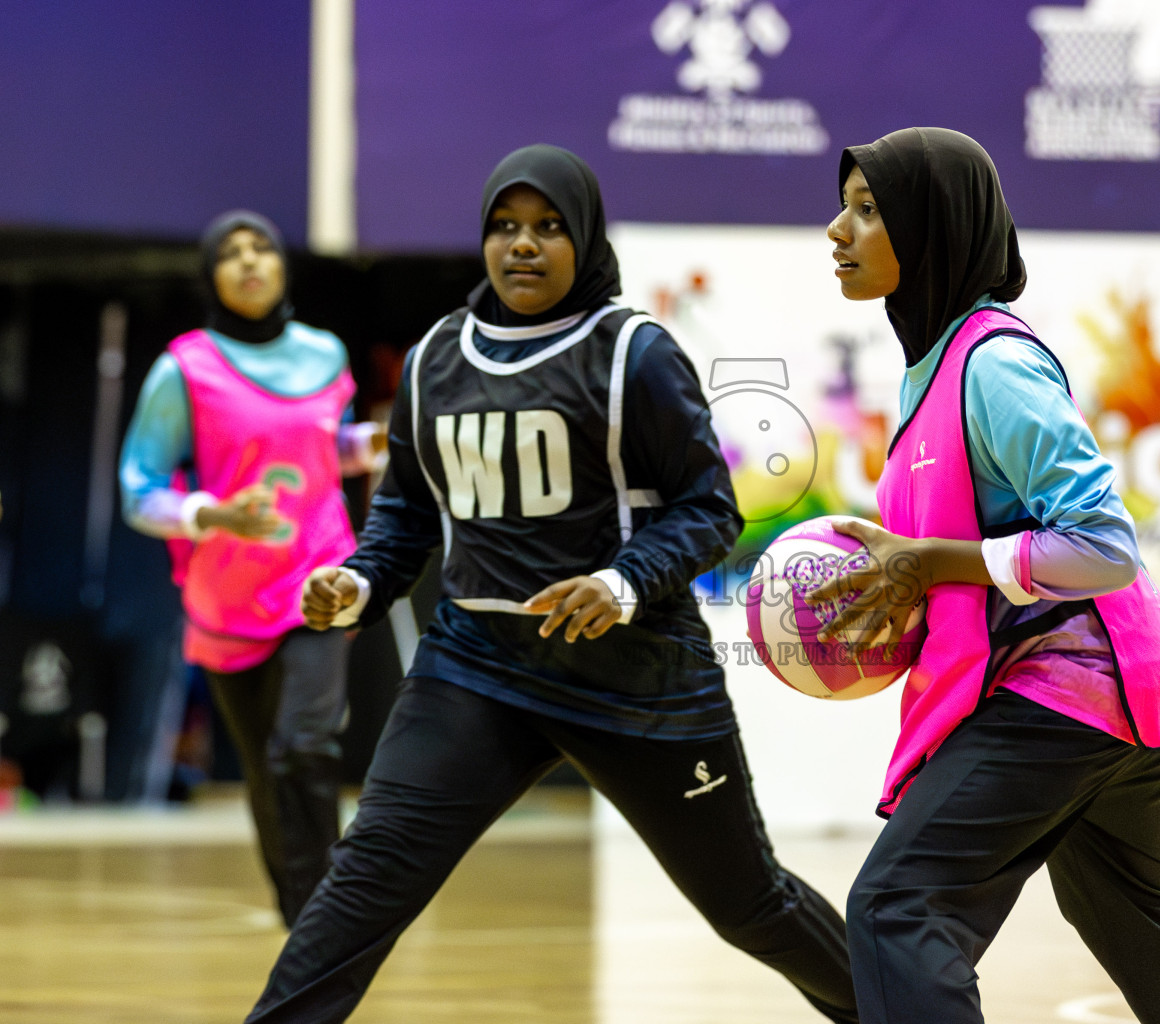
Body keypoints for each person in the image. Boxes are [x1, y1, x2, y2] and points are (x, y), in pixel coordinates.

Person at [242, 144, 858, 1023]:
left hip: (636, 679)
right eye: (504, 227)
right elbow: (408, 512)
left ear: (585, 239)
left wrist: (620, 583)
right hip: (476, 670)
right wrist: (359, 581)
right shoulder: (433, 360)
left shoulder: (632, 352)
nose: (522, 246)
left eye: (547, 228)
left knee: (749, 905)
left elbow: (708, 509)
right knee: (362, 885)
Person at [811, 127, 1160, 1024]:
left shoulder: (994, 365)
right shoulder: (934, 365)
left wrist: (935, 564)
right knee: (1125, 915)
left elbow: (1102, 544)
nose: (836, 231)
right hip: (1104, 694)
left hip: (1069, 691)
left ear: (933, 227)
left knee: (899, 905)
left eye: (865, 210)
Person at [119, 210, 383, 926]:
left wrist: (380, 442)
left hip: (318, 575)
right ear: (212, 277)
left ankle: (329, 918)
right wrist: (213, 514)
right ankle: (302, 912)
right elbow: (138, 490)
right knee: (268, 764)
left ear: (281, 266)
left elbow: (326, 450)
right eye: (230, 253)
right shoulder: (185, 367)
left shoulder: (326, 355)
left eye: (260, 246)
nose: (249, 261)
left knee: (306, 744)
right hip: (228, 594)